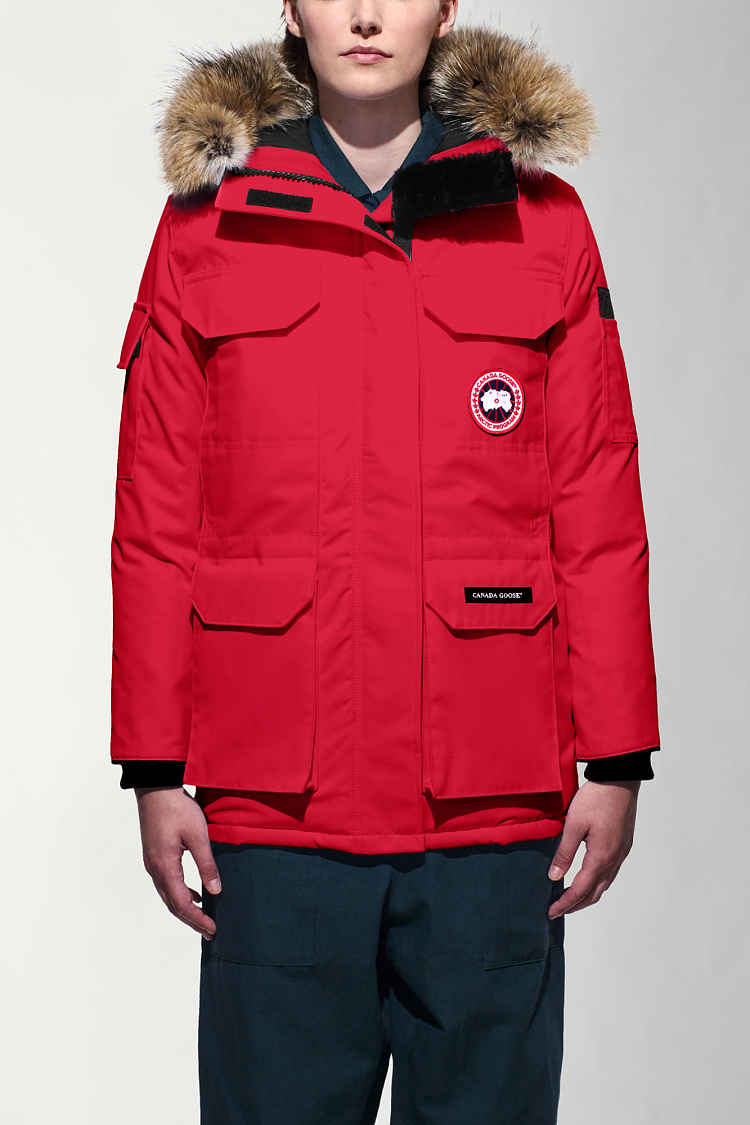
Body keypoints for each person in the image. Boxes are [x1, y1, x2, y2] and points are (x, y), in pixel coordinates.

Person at [110, 2, 661, 1120]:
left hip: (491, 810)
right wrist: (154, 768)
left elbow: (598, 505)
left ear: (447, 7)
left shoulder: (540, 220)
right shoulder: (208, 225)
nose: (366, 14)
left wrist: (616, 758)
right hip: (276, 815)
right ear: (291, 7)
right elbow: (156, 520)